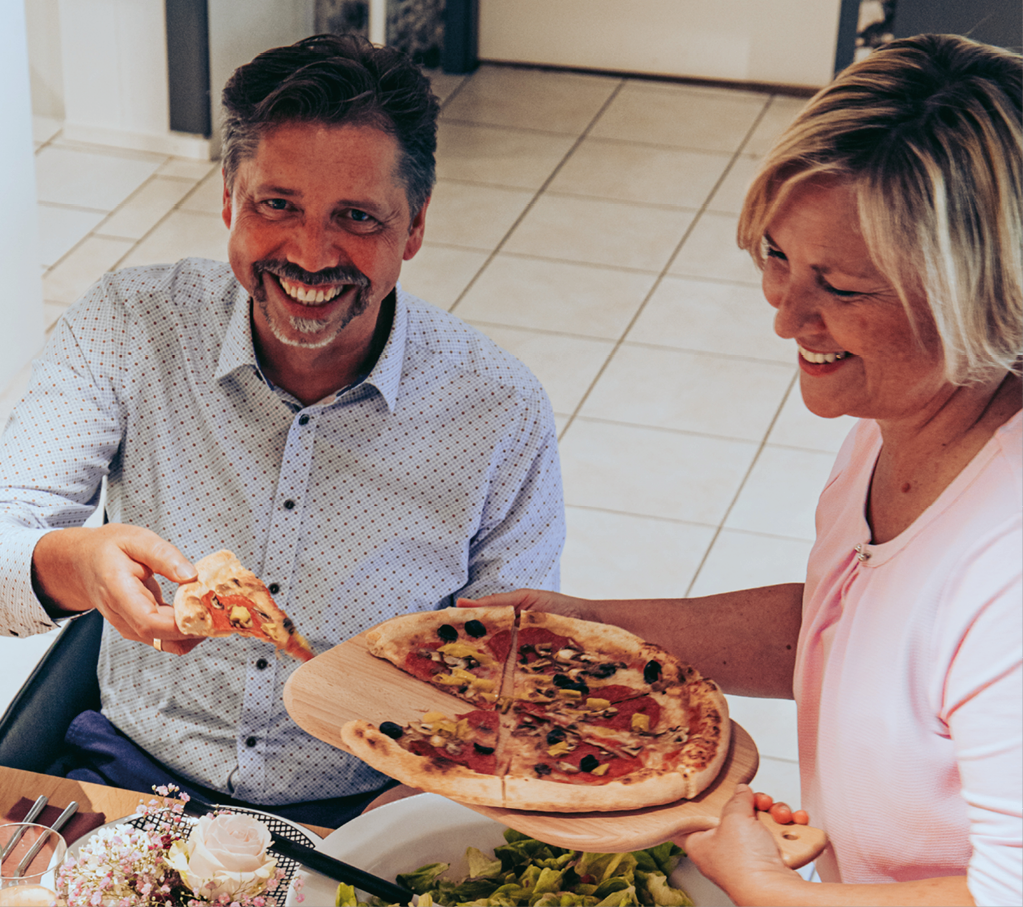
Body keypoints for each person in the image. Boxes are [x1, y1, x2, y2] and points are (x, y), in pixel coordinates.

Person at [468, 34, 1022, 906]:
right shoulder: (902, 414)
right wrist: (597, 628)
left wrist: (769, 890)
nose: (787, 318)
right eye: (776, 258)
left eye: (841, 288)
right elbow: (845, 632)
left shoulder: (1007, 564)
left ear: (982, 295)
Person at [0, 35, 564, 827]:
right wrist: (76, 565)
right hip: (134, 770)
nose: (309, 254)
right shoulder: (128, 324)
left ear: (415, 225)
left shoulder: (499, 409)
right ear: (229, 198)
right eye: (277, 205)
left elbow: (512, 669)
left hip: (374, 802)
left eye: (356, 217)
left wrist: (410, 814)